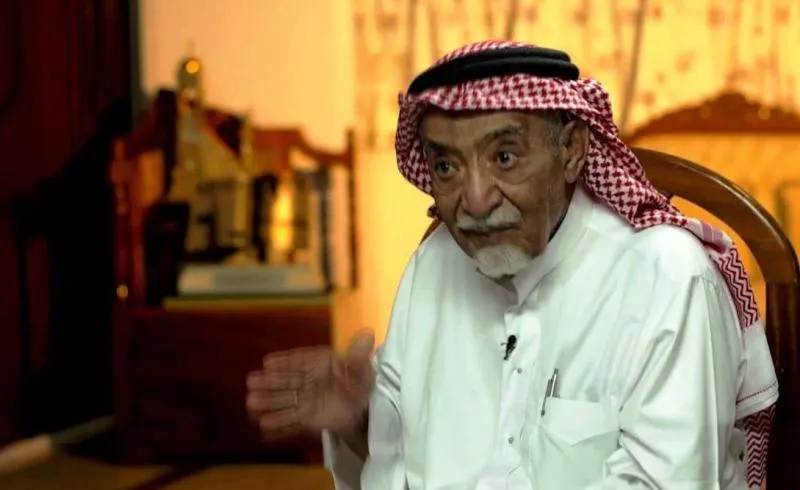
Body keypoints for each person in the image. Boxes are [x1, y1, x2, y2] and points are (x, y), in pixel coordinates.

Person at [246, 41, 778, 489]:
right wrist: (360, 423)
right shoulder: (433, 266)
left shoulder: (667, 276)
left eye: (504, 157)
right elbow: (404, 467)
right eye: (447, 166)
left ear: (571, 150)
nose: (475, 200)